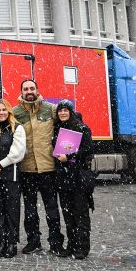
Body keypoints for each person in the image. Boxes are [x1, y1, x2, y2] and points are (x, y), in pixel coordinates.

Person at [13, 80, 67, 257]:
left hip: (48, 168)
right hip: (26, 169)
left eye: (32, 88)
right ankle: (33, 241)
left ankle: (55, 243)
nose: (29, 91)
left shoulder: (50, 109)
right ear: (21, 91)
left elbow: (66, 128)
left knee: (52, 208)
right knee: (30, 210)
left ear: (37, 90)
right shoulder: (15, 113)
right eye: (26, 89)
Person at [0, 99, 26, 258]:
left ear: (9, 112)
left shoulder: (17, 128)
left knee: (11, 210)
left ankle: (12, 243)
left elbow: (17, 153)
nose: (1, 112)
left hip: (11, 176)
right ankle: (1, 241)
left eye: (4, 110)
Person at [53, 100, 94, 260]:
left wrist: (69, 156)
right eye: (60, 111)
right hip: (63, 178)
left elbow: (89, 149)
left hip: (78, 178)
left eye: (65, 110)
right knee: (68, 214)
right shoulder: (58, 128)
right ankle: (72, 245)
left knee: (80, 214)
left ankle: (82, 247)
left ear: (71, 112)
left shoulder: (82, 128)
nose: (62, 113)